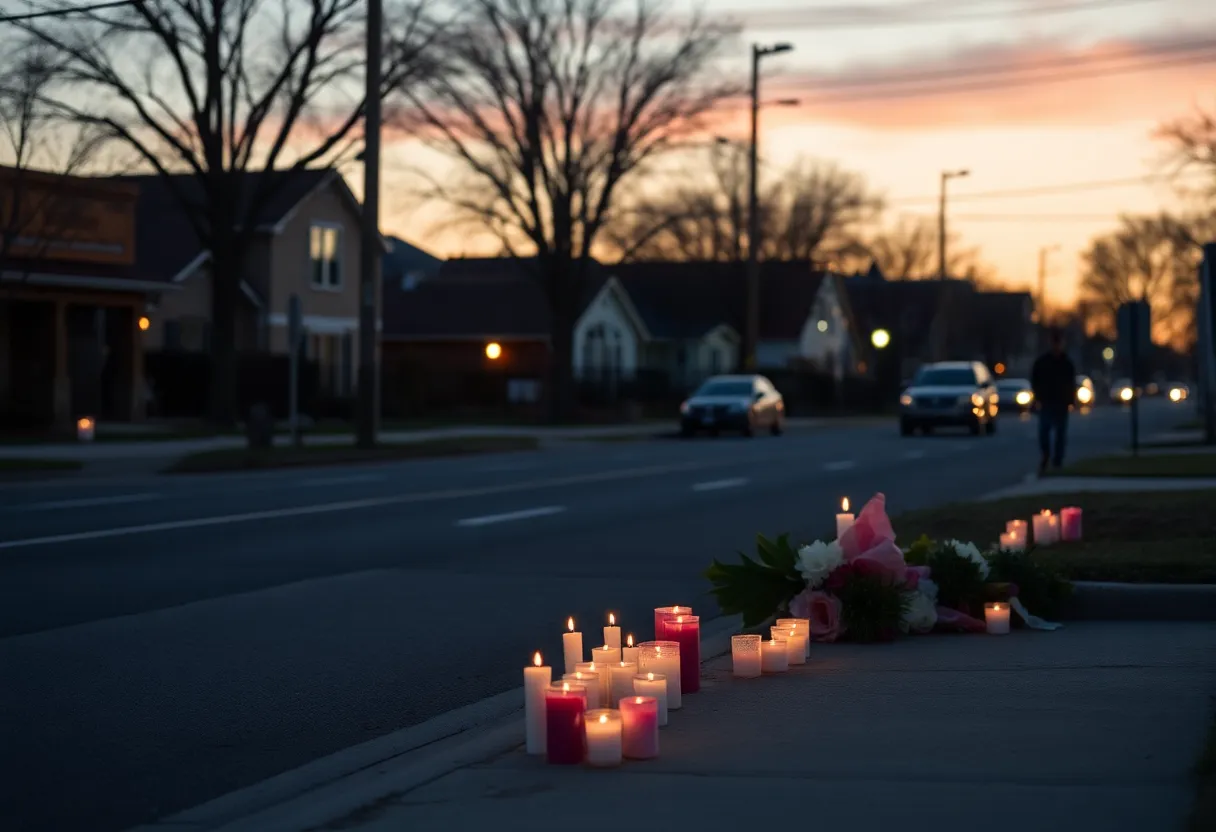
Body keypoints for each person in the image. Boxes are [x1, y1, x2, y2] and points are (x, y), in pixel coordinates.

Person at [1030, 328, 1078, 476]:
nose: (1057, 346)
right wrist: (1037, 397)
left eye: (1059, 343)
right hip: (1046, 402)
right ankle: (1046, 455)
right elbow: (1035, 380)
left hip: (1061, 403)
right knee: (1044, 432)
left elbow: (1071, 383)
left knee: (1060, 434)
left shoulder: (1067, 363)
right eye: (1054, 343)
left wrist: (1071, 400)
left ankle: (1057, 461)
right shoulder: (1042, 362)